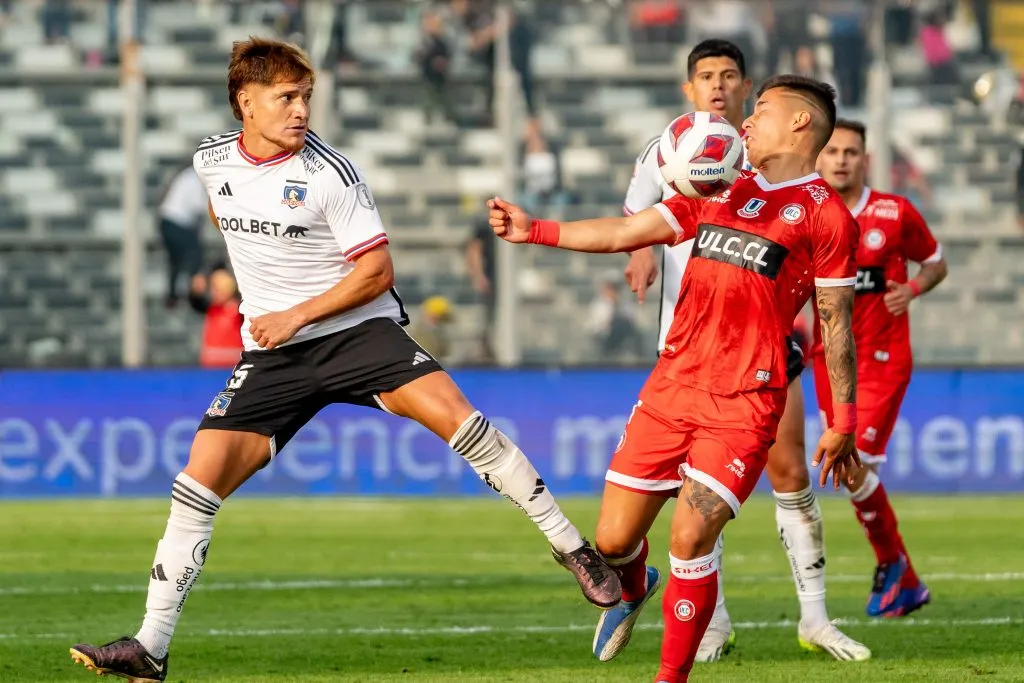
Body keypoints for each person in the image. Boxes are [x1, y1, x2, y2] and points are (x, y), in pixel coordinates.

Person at [68, 37, 619, 683]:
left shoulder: (329, 172)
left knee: (463, 422)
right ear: (245, 103)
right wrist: (255, 291)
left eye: (306, 96)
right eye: (286, 97)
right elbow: (228, 214)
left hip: (359, 333)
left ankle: (572, 547)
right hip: (276, 353)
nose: (301, 110)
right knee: (196, 482)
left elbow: (377, 270)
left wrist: (294, 310)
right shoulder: (210, 161)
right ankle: (150, 646)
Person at [489, 73, 864, 683]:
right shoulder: (720, 182)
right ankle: (634, 587)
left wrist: (843, 422)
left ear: (799, 123)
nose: (747, 118)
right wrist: (536, 231)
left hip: (745, 399)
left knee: (692, 535)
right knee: (610, 544)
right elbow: (627, 232)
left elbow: (834, 322)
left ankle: (671, 678)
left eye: (761, 109)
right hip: (673, 386)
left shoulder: (826, 216)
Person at [617, 39, 868, 664]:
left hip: (759, 352)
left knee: (786, 475)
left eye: (732, 76)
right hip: (682, 347)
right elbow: (634, 220)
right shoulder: (666, 150)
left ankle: (813, 616)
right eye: (707, 76)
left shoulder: (768, 169)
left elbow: (830, 295)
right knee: (680, 504)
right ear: (690, 90)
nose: (721, 87)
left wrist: (846, 415)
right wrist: (638, 249)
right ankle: (712, 622)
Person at [814, 119, 948, 618]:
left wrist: (912, 289)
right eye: (833, 151)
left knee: (856, 463)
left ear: (865, 159)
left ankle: (894, 566)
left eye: (851, 151)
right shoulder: (809, 214)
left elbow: (936, 261)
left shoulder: (893, 212)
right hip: (830, 364)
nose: (842, 159)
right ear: (819, 157)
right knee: (847, 467)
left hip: (883, 361)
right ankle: (904, 578)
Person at [158, 164, 208, 307]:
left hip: (166, 222)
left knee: (176, 261)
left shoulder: (187, 175)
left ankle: (172, 295)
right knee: (195, 254)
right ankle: (196, 291)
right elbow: (198, 206)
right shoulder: (194, 180)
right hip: (177, 223)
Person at [188, 265, 244, 368]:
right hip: (211, 365)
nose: (214, 293)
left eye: (217, 289)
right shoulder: (212, 308)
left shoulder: (240, 310)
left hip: (232, 365)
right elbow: (195, 303)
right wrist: (195, 291)